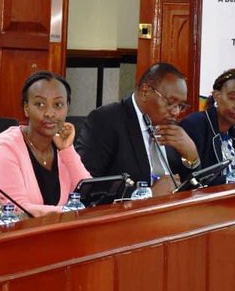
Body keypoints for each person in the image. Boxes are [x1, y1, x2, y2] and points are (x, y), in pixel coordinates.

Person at [75, 62, 201, 194]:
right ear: (145, 92)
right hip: (128, 212)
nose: (176, 112)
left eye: (181, 106)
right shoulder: (105, 120)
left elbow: (192, 187)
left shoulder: (171, 129)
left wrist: (191, 157)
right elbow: (86, 186)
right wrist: (148, 194)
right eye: (170, 103)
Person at [0, 71, 89, 215]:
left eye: (58, 105)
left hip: (53, 234)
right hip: (8, 234)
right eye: (40, 104)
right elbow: (18, 210)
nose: (50, 113)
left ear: (67, 107)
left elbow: (90, 194)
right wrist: (73, 212)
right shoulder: (4, 147)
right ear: (26, 108)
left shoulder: (60, 146)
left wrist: (67, 150)